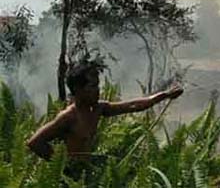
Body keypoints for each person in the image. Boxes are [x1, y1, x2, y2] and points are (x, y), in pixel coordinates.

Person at [26, 56, 184, 181]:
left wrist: (165, 95)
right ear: (78, 89)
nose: (98, 91)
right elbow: (35, 142)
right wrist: (63, 166)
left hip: (84, 176)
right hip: (68, 181)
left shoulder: (98, 109)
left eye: (98, 86)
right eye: (93, 86)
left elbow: (133, 105)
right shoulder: (68, 117)